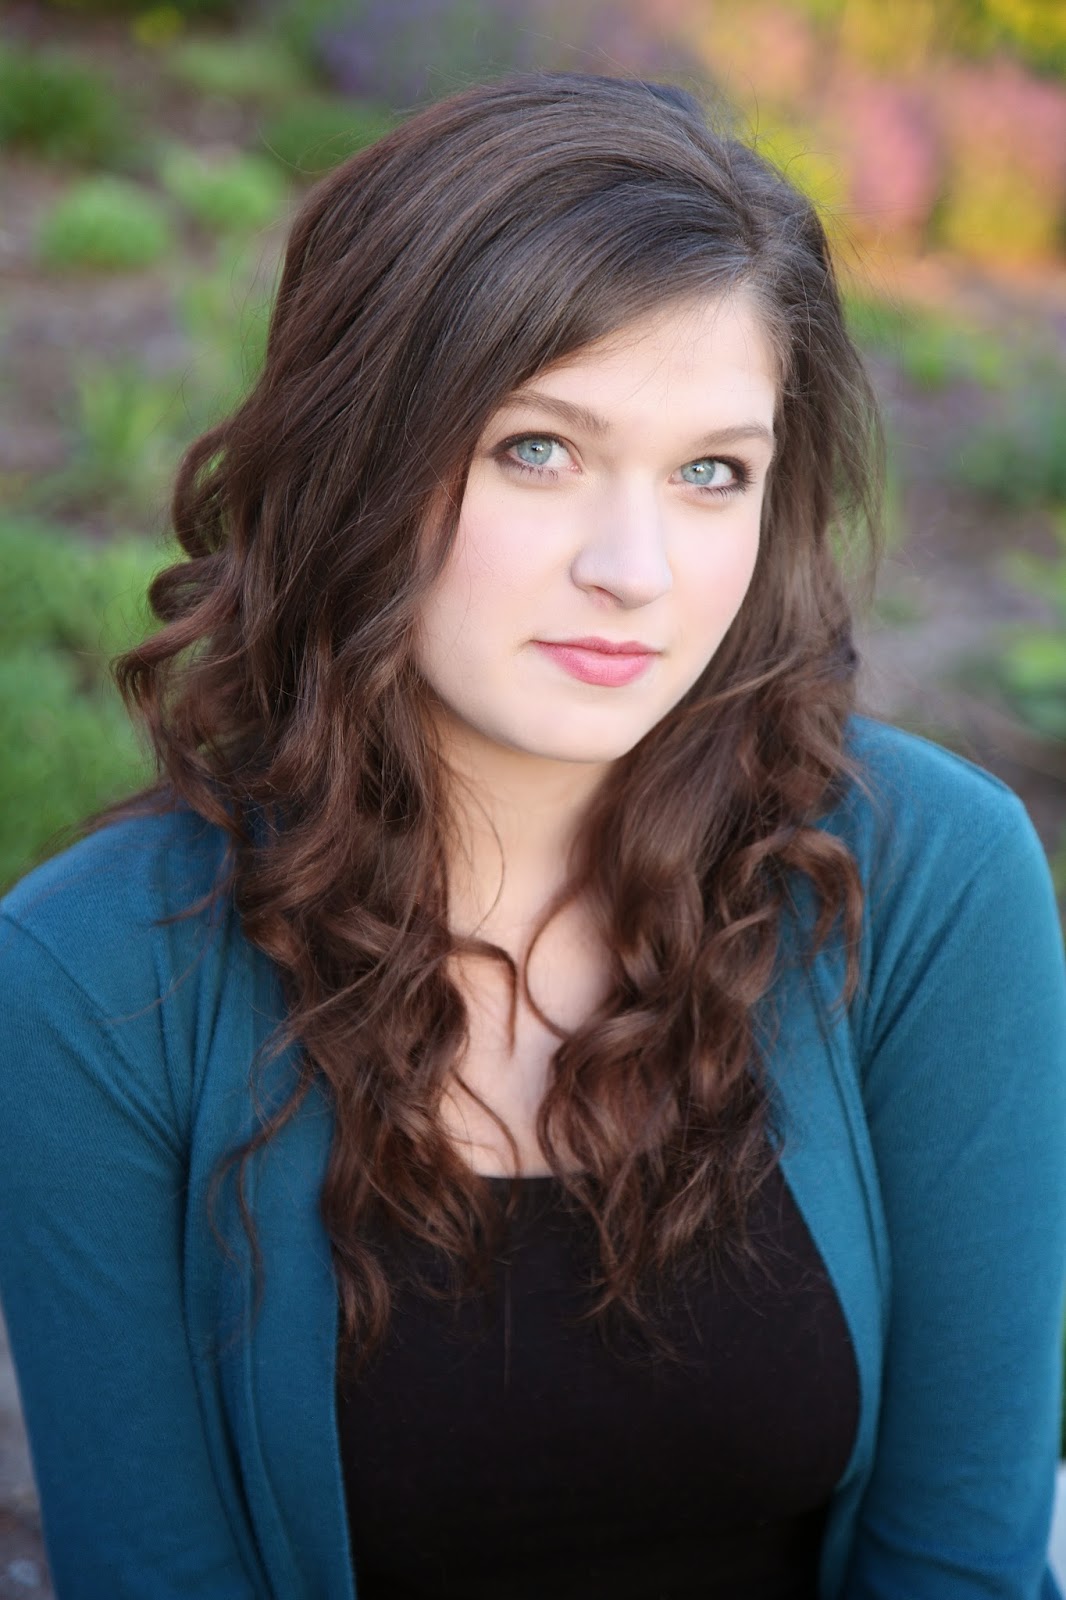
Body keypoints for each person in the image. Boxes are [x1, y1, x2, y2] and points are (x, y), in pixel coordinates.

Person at [1, 70, 1064, 1600]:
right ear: (360, 450)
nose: (634, 569)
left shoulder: (921, 880)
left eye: (710, 473)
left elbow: (957, 1557)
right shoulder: (92, 982)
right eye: (538, 449)